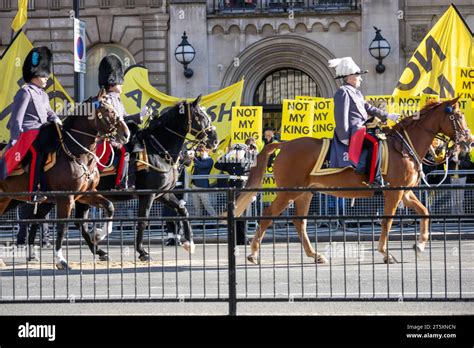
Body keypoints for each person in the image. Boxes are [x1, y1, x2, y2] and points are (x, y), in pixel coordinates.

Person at [0, 46, 62, 202]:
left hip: (41, 132)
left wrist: (55, 118)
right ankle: (33, 192)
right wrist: (14, 139)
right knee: (37, 153)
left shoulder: (44, 95)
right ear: (35, 73)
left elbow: (48, 112)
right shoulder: (25, 92)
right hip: (27, 134)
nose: (47, 77)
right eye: (44, 74)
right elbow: (16, 118)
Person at [329, 57, 399, 188]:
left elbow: (370, 108)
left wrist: (388, 115)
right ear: (350, 77)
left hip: (362, 129)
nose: (360, 79)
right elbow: (340, 116)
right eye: (358, 76)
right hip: (353, 131)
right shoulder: (342, 92)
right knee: (374, 142)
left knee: (382, 139)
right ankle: (374, 179)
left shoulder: (358, 94)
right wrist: (344, 137)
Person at [96, 55, 148, 190]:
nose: (122, 85)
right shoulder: (106, 98)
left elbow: (124, 118)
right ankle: (122, 181)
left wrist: (139, 116)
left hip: (118, 134)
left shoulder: (118, 100)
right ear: (112, 83)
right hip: (109, 137)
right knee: (125, 151)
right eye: (120, 83)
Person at [214, 143, 253, 245]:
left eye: (239, 151)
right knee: (233, 216)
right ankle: (234, 239)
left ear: (244, 152)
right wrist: (227, 154)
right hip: (233, 192)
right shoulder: (230, 162)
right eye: (235, 151)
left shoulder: (249, 162)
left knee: (243, 217)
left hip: (244, 191)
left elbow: (254, 179)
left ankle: (243, 238)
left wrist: (253, 193)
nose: (237, 153)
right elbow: (217, 165)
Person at [163, 150, 192, 246]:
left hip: (178, 194)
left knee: (178, 218)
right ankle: (170, 237)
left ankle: (177, 237)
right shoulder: (169, 167)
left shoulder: (182, 168)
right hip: (169, 194)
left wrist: (183, 198)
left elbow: (185, 184)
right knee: (168, 217)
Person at [191, 144, 217, 217]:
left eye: (203, 151)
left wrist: (194, 158)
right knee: (196, 206)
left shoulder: (210, 160)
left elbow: (201, 166)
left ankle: (216, 220)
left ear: (207, 151)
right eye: (200, 151)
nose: (201, 153)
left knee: (207, 205)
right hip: (195, 186)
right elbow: (193, 157)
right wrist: (194, 150)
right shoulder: (199, 158)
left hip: (203, 187)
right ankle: (198, 223)